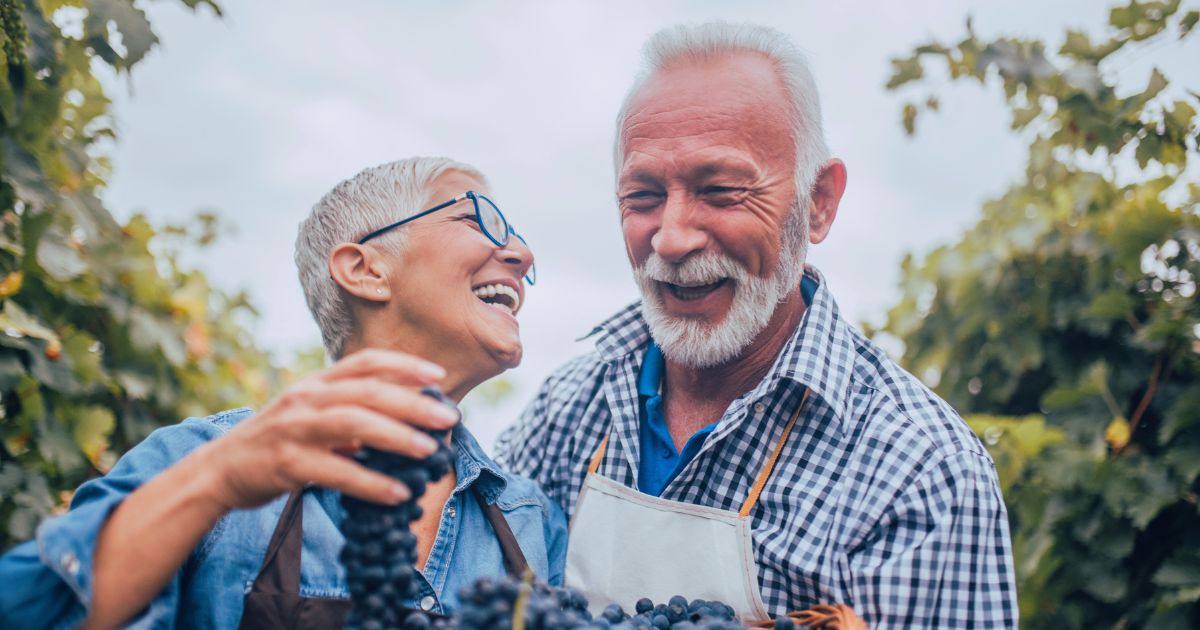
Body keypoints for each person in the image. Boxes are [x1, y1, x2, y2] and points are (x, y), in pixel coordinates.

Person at [494, 22, 1018, 628]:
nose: (671, 237)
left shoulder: (920, 471)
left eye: (720, 191)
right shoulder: (574, 402)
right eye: (642, 196)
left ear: (817, 202)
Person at [0, 157, 568, 628]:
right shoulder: (199, 461)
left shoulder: (529, 520)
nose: (521, 253)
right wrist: (216, 480)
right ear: (365, 268)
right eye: (477, 221)